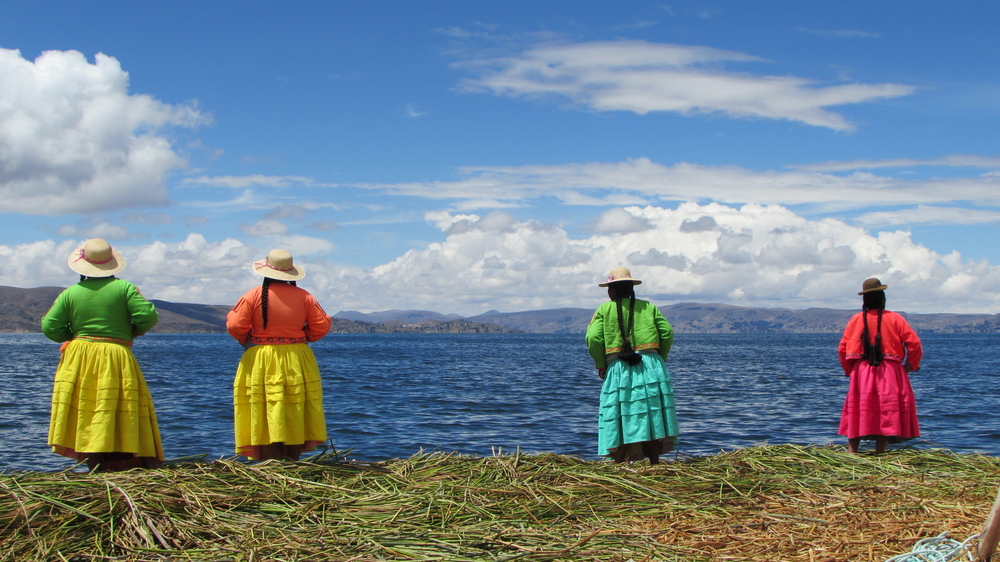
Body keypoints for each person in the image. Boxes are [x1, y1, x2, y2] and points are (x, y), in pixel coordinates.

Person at [41, 238, 163, 472]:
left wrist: (74, 336)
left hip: (79, 355)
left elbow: (49, 327)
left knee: (88, 408)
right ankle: (147, 462)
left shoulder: (71, 293)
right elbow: (148, 316)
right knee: (127, 406)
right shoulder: (124, 288)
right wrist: (132, 331)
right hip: (116, 353)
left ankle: (95, 468)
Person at [226, 249, 332, 461]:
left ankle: (268, 464)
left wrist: (249, 339)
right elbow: (322, 325)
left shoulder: (252, 295)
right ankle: (292, 463)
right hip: (297, 357)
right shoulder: (305, 297)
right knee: (294, 407)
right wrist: (301, 337)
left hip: (260, 359)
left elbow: (235, 325)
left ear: (264, 272)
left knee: (264, 408)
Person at [585, 267, 679, 464]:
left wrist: (601, 365)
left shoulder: (604, 310)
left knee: (619, 415)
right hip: (651, 367)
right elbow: (667, 332)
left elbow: (593, 338)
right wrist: (659, 358)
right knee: (652, 414)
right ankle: (654, 464)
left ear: (611, 290)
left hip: (619, 368)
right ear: (631, 289)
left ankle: (618, 466)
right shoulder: (649, 307)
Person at [838, 278, 923, 454]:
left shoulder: (855, 320)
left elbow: (842, 349)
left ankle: (852, 451)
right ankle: (880, 451)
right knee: (887, 408)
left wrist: (849, 370)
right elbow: (914, 344)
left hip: (861, 372)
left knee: (858, 407)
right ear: (882, 298)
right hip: (890, 371)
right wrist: (910, 366)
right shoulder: (895, 318)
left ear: (865, 300)